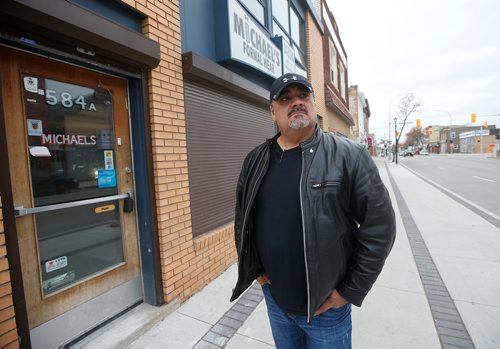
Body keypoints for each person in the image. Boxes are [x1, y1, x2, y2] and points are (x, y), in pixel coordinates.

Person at [230, 73, 396, 348]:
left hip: (326, 309)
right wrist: (255, 268)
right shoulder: (255, 159)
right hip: (276, 300)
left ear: (315, 104)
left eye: (303, 95)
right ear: (273, 112)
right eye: (285, 98)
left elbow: (381, 227)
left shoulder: (348, 156)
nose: (296, 102)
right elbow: (243, 217)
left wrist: (349, 291)